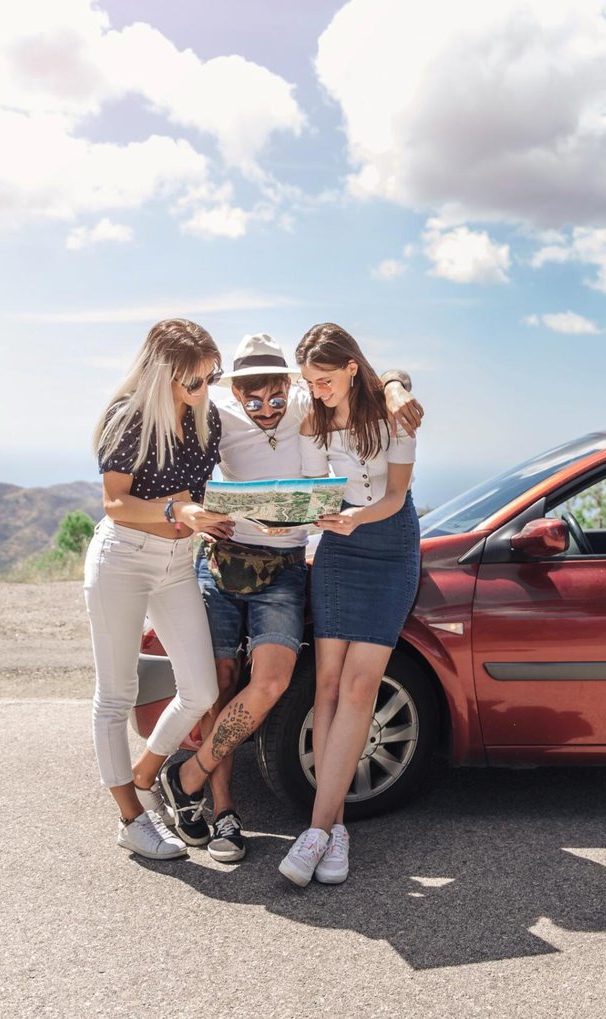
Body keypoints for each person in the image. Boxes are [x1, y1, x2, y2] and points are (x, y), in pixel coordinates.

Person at [155, 333, 423, 864]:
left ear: (291, 384)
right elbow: (182, 467)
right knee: (234, 682)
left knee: (299, 683)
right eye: (252, 398)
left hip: (317, 559)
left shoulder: (320, 404)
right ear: (236, 391)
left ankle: (308, 825)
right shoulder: (230, 415)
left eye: (277, 395)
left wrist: (394, 386)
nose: (265, 407)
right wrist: (194, 516)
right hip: (237, 558)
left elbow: (382, 384)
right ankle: (234, 811)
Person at [84, 318, 233, 860]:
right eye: (193, 381)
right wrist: (178, 509)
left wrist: (221, 515)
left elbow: (202, 492)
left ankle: (146, 773)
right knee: (116, 695)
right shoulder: (129, 418)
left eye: (210, 378)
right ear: (161, 375)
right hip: (121, 556)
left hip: (176, 561)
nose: (203, 390)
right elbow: (115, 502)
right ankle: (131, 817)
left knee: (200, 689)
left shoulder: (206, 419)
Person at [279, 323, 420, 887]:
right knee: (327, 687)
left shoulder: (395, 416)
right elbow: (318, 489)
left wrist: (396, 385)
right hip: (338, 550)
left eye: (327, 379)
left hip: (387, 547)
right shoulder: (310, 414)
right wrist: (316, 514)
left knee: (361, 688)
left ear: (352, 369)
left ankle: (315, 832)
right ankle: (335, 832)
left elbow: (395, 497)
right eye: (310, 381)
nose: (317, 390)